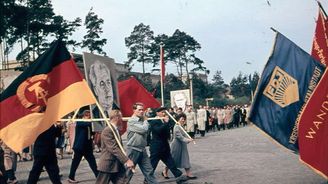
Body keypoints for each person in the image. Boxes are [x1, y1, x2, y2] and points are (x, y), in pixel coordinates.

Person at [96, 110, 134, 184]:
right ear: (117, 117)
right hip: (108, 164)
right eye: (121, 117)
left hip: (117, 164)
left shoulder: (116, 130)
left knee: (124, 182)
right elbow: (113, 148)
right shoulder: (107, 130)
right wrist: (126, 160)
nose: (122, 119)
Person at [149, 107, 184, 183]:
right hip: (156, 146)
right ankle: (147, 180)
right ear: (157, 113)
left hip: (165, 145)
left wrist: (176, 122)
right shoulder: (154, 121)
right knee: (153, 164)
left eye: (164, 112)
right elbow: (158, 130)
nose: (164, 113)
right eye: (162, 112)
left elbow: (170, 126)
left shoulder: (164, 120)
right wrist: (166, 123)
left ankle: (179, 177)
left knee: (170, 162)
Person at [126, 103, 158, 184]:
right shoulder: (131, 121)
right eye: (139, 109)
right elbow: (144, 129)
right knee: (128, 173)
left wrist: (144, 120)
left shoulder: (142, 120)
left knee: (149, 171)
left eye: (142, 110)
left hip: (142, 149)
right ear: (134, 110)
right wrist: (146, 120)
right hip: (133, 149)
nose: (141, 111)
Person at [163, 114, 197, 180]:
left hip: (183, 145)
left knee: (185, 158)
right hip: (176, 145)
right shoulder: (176, 127)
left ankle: (188, 174)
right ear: (178, 119)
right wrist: (188, 140)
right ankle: (165, 171)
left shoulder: (181, 126)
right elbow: (179, 137)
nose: (183, 120)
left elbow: (184, 135)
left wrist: (189, 138)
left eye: (184, 119)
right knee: (172, 159)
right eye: (182, 119)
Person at [68, 110, 98, 183]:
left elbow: (92, 131)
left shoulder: (88, 124)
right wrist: (93, 122)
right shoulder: (80, 122)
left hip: (87, 147)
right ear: (84, 116)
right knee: (75, 163)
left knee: (92, 162)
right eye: (88, 116)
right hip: (80, 147)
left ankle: (98, 176)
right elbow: (87, 124)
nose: (89, 117)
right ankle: (71, 177)